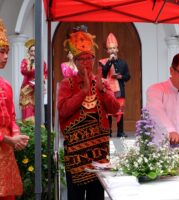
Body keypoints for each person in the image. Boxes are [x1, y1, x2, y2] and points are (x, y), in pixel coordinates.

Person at [57, 26, 120, 200]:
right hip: (76, 152)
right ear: (75, 62)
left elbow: (115, 109)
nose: (86, 62)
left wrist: (103, 91)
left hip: (99, 150)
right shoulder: (66, 84)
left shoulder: (101, 82)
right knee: (76, 195)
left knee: (96, 195)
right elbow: (63, 111)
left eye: (89, 58)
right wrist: (83, 92)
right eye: (81, 59)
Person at [0, 18, 29, 200]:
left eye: (7, 52)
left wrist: (17, 135)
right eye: (1, 52)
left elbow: (11, 116)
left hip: (6, 151)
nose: (5, 57)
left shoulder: (7, 86)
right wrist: (9, 139)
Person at [99, 33, 130, 137]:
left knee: (119, 111)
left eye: (114, 48)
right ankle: (108, 132)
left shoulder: (123, 63)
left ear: (117, 49)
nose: (112, 50)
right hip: (108, 91)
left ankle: (120, 132)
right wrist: (109, 62)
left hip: (119, 91)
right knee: (108, 112)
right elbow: (103, 74)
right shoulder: (103, 62)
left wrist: (121, 77)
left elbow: (128, 76)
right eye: (110, 48)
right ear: (107, 51)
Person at [19, 39, 47, 122]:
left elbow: (45, 73)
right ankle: (29, 130)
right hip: (27, 88)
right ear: (29, 52)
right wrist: (31, 65)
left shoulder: (42, 62)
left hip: (37, 88)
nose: (33, 53)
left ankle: (38, 130)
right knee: (28, 108)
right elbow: (23, 71)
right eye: (31, 51)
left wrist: (42, 78)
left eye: (35, 51)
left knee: (37, 109)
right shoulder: (25, 61)